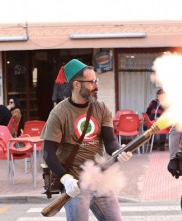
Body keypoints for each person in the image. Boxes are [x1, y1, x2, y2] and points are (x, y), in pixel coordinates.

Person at [41, 59, 133, 221]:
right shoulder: (59, 113)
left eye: (95, 81)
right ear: (76, 85)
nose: (96, 86)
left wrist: (118, 151)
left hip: (99, 178)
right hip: (75, 183)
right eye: (91, 82)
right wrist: (66, 179)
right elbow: (48, 153)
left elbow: (110, 141)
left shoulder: (101, 108)